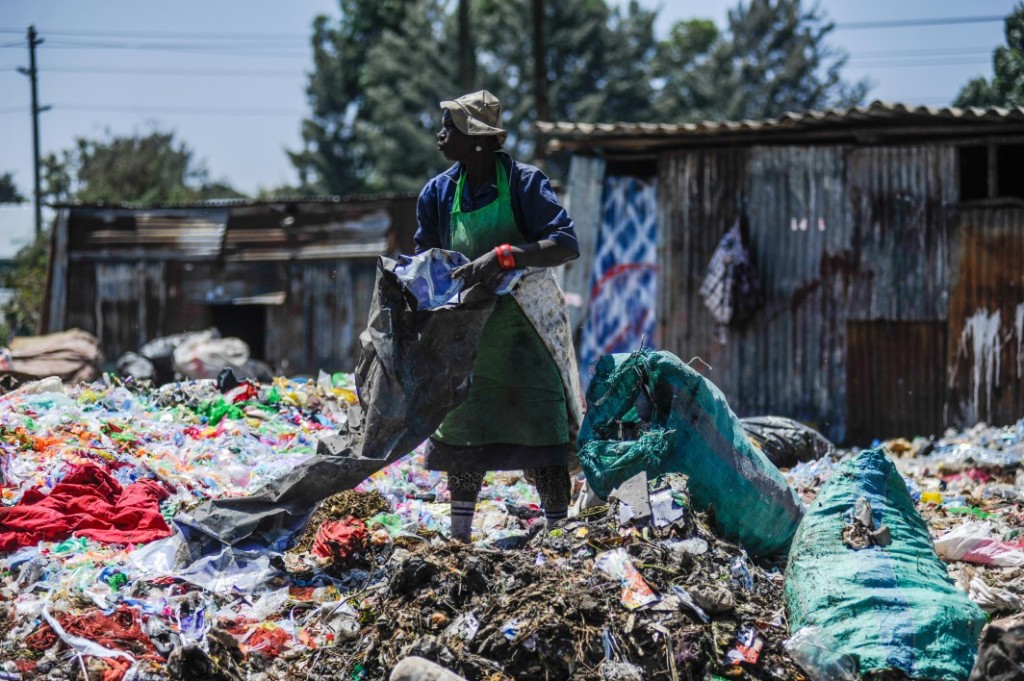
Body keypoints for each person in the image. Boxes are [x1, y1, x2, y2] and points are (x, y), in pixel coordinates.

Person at [414, 90, 584, 542]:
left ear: (476, 140)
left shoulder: (525, 184)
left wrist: (506, 256)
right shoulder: (438, 194)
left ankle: (559, 538)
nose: (440, 135)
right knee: (464, 433)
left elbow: (566, 244)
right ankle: (459, 538)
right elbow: (424, 260)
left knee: (542, 431)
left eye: (449, 127)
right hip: (470, 338)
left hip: (527, 330)